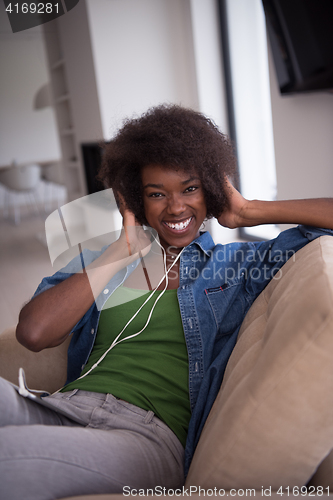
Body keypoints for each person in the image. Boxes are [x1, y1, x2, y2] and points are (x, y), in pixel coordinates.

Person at [1, 104, 332, 499]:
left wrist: (247, 211)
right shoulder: (104, 261)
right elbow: (34, 332)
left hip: (144, 439)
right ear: (137, 202)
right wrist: (120, 251)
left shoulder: (239, 266)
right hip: (64, 408)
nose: (175, 207)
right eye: (157, 194)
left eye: (190, 189)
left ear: (211, 189)